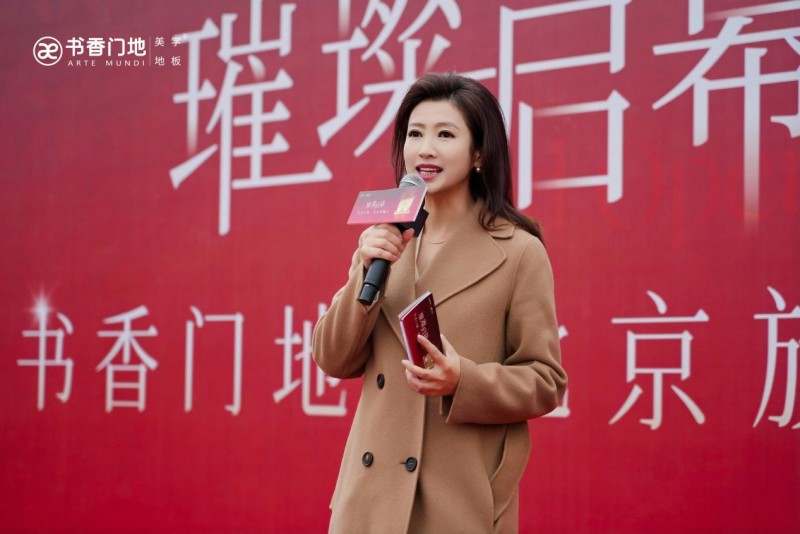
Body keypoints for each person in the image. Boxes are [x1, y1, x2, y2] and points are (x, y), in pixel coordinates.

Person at [313, 72, 567, 534]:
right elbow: (333, 358)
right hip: (370, 500)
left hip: (457, 497)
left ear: (478, 153)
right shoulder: (386, 239)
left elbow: (545, 380)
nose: (425, 149)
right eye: (415, 134)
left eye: (445, 135)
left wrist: (462, 380)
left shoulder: (518, 251)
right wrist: (364, 272)